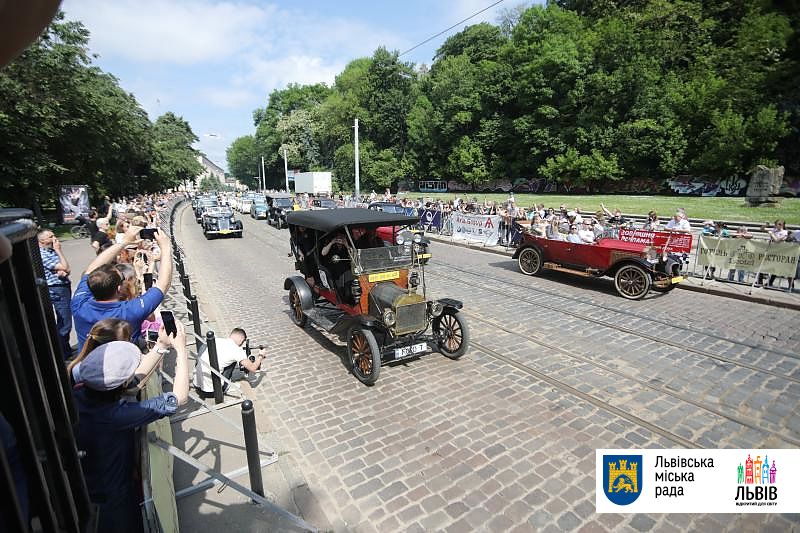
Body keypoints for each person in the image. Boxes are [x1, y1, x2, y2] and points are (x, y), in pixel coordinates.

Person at [72, 327, 188, 533]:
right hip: (114, 499)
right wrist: (181, 350)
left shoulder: (81, 390)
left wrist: (160, 346)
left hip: (87, 486)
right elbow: (178, 398)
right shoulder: (116, 415)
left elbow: (131, 382)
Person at [72, 224, 173, 349]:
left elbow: (91, 269)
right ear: (119, 289)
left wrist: (124, 242)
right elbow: (163, 283)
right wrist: (166, 247)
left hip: (88, 365)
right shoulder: (131, 310)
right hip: (126, 365)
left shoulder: (78, 305)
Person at [193, 328, 265, 396]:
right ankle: (226, 387)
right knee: (234, 361)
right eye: (243, 342)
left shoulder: (216, 340)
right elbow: (253, 368)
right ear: (241, 340)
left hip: (196, 385)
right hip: (214, 392)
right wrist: (261, 356)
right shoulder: (236, 350)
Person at [38, 230, 73, 358]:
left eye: (54, 235)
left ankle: (65, 348)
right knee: (65, 320)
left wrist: (64, 270)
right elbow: (65, 266)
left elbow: (66, 268)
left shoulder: (50, 251)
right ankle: (63, 353)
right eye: (50, 237)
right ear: (41, 241)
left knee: (65, 319)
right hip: (57, 288)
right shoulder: (43, 254)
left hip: (62, 285)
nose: (55, 238)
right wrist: (59, 250)